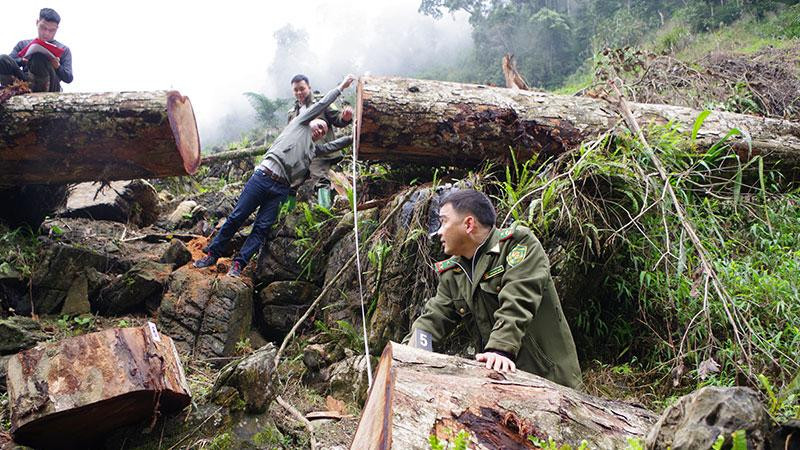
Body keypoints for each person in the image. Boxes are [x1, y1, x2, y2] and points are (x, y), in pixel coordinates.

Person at [404, 189, 582, 388]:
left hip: (548, 379)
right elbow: (433, 318)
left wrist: (500, 349)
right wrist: (405, 358)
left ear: (469, 224)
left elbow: (517, 300)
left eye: (444, 221)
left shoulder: (517, 245)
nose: (438, 231)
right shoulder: (454, 273)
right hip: (499, 381)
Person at [193, 74, 356, 277]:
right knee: (237, 217)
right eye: (319, 126)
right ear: (312, 121)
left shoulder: (312, 150)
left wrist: (354, 136)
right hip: (262, 177)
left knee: (261, 229)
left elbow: (332, 145)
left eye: (324, 131)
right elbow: (322, 102)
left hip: (280, 189)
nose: (321, 131)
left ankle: (238, 265)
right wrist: (342, 86)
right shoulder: (299, 123)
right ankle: (212, 255)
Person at [287, 74, 354, 208]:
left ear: (309, 87)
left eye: (302, 89)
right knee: (291, 182)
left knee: (319, 177)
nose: (299, 92)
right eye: (296, 90)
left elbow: (337, 120)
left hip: (321, 151)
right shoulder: (292, 112)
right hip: (300, 154)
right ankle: (286, 212)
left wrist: (346, 118)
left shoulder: (321, 102)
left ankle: (325, 212)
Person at [0, 8, 73, 92]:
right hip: (25, 82)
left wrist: (58, 66)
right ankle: (12, 89)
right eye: (43, 27)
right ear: (37, 23)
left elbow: (69, 78)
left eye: (51, 30)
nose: (46, 33)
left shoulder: (64, 50)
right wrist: (22, 61)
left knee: (38, 56)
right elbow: (8, 63)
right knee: (2, 59)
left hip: (50, 85)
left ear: (57, 29)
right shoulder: (23, 44)